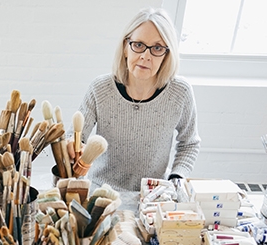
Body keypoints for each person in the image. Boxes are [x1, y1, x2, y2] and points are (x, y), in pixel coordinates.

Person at [75, 7, 200, 192]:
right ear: (126, 47)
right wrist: (72, 147)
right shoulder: (100, 88)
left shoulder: (180, 92)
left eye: (157, 48)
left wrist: (176, 179)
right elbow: (76, 137)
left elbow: (189, 144)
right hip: (100, 191)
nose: (145, 56)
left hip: (153, 194)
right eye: (139, 44)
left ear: (167, 54)